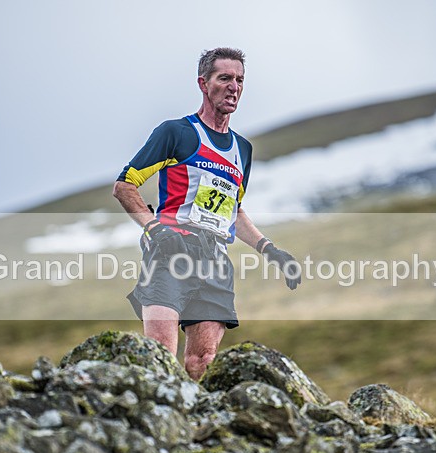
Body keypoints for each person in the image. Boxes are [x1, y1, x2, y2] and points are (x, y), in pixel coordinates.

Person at [113, 47, 300, 380]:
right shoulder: (177, 133)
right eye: (224, 78)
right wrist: (155, 229)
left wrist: (270, 249)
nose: (234, 87)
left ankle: (193, 415)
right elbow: (125, 186)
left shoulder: (243, 150)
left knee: (203, 362)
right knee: (160, 358)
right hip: (170, 253)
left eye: (239, 80)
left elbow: (233, 211)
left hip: (214, 261)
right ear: (203, 83)